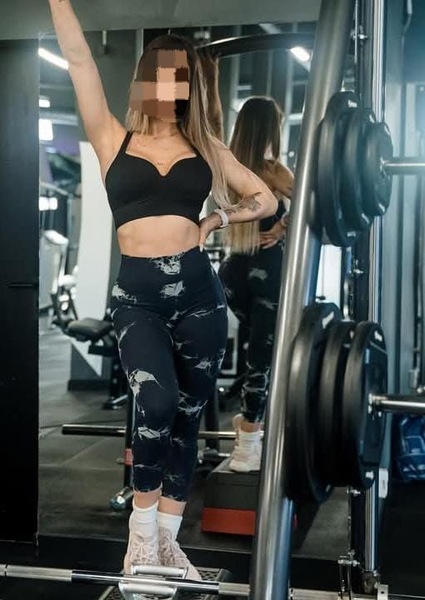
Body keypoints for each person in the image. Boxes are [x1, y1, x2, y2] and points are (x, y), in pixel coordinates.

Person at [48, 0, 278, 583]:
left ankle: (169, 547)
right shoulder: (112, 137)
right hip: (139, 299)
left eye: (182, 76)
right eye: (162, 73)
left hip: (200, 297)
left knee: (186, 417)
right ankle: (141, 540)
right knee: (155, 405)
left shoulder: (206, 147)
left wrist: (217, 220)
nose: (170, 85)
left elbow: (265, 198)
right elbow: (79, 60)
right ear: (145, 79)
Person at [201, 55, 294, 473]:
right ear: (273, 129)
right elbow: (317, 198)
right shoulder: (273, 172)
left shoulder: (225, 165)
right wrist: (283, 227)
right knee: (262, 359)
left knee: (254, 349)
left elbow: (212, 121)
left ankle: (245, 422)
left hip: (231, 275)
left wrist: (212, 77)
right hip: (267, 273)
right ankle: (248, 443)